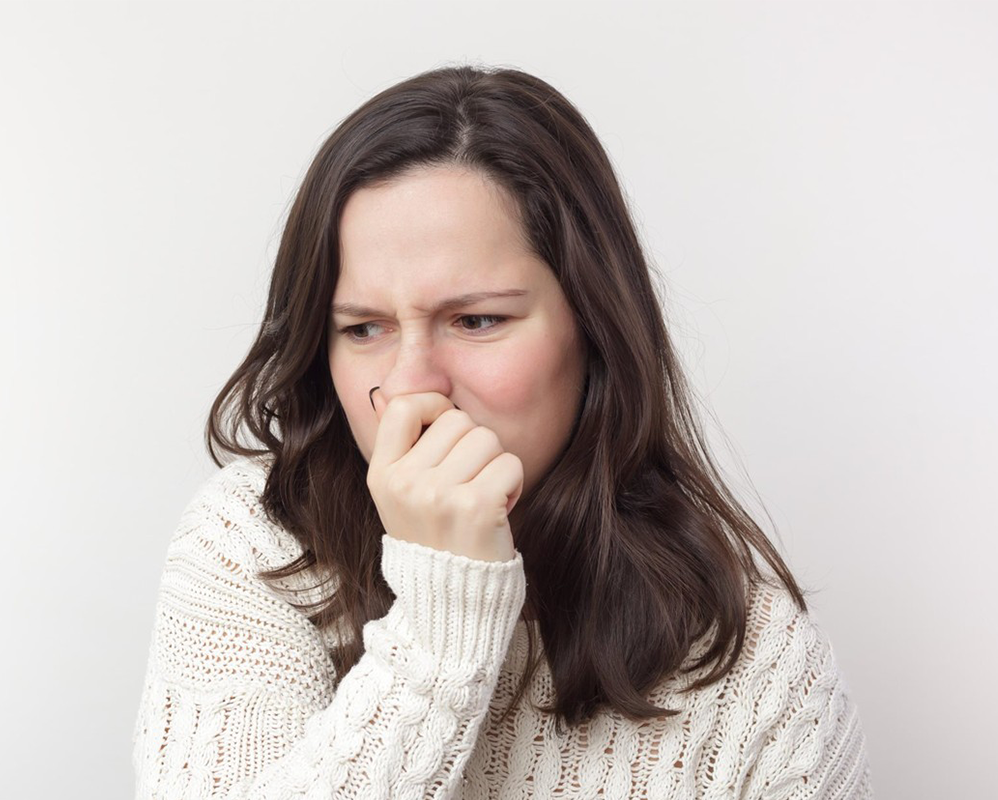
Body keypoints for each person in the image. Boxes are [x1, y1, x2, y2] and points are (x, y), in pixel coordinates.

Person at [132, 64, 874, 799]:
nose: (415, 385)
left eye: (477, 320)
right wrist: (444, 611)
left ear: (594, 327)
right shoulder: (250, 549)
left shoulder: (763, 674)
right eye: (363, 328)